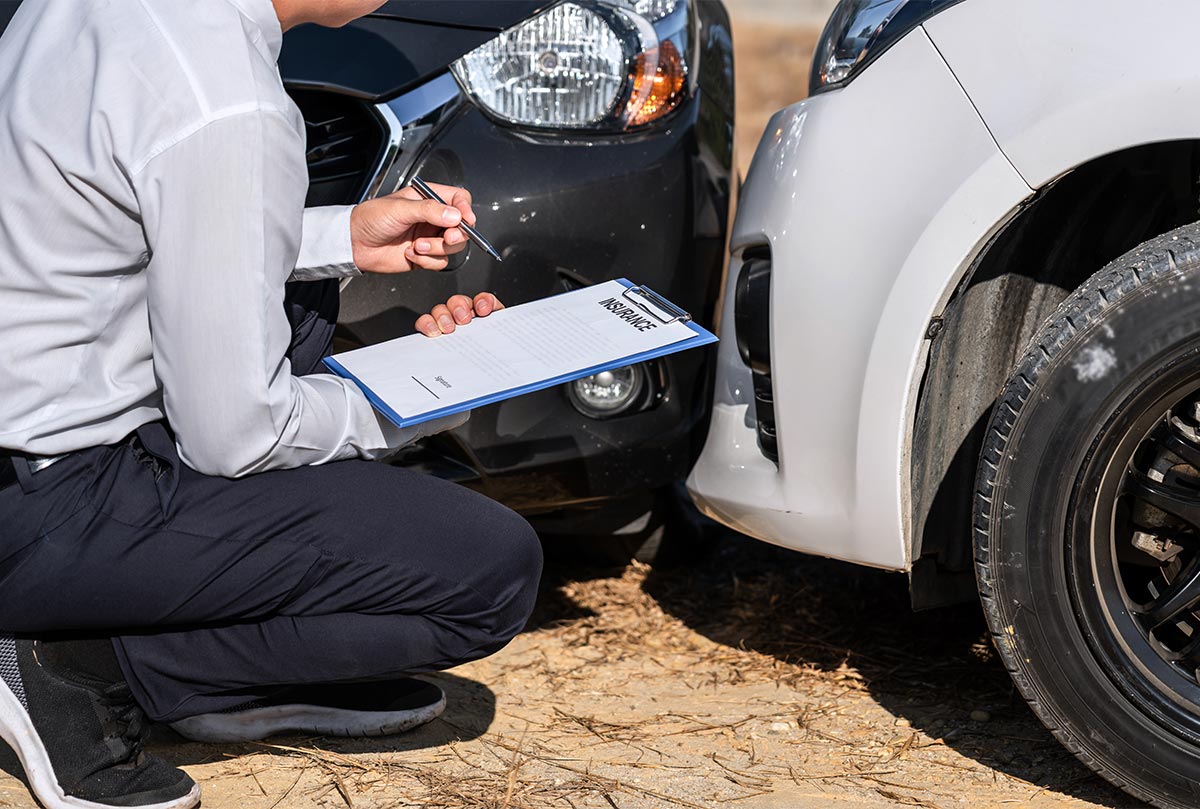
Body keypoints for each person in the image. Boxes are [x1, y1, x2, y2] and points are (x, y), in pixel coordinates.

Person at [0, 1, 544, 808]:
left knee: (304, 304)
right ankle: (76, 666)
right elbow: (237, 437)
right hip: (46, 508)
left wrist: (339, 237)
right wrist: (428, 394)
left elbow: (140, 203)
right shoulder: (228, 98)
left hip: (27, 447)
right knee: (489, 571)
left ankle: (213, 664)